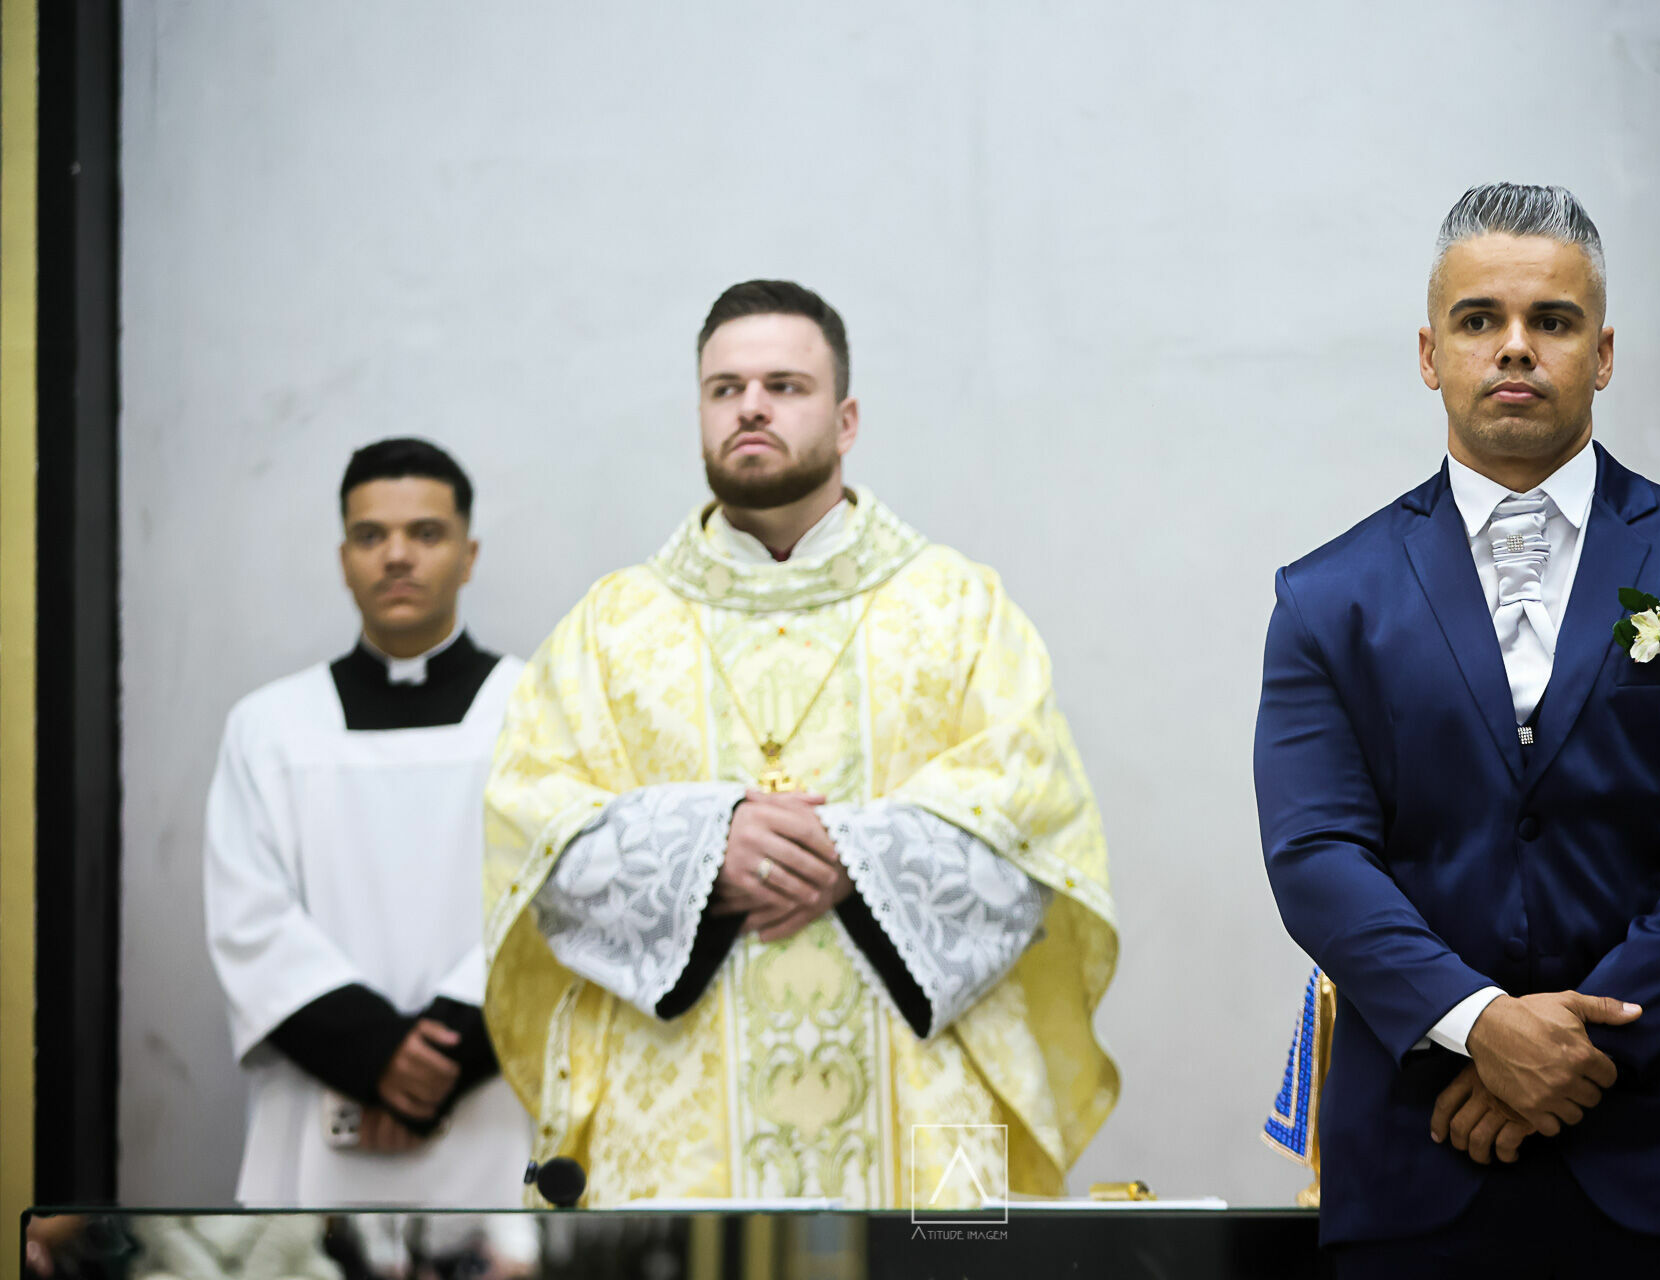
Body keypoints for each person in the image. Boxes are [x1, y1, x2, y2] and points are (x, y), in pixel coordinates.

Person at [1254, 185, 1660, 1276]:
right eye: (1478, 320)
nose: (1513, 348)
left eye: (1550, 322)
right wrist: (1477, 1024)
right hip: (1422, 1154)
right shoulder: (1326, 598)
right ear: (1429, 353)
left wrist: (1574, 1049)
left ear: (1599, 354)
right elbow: (1314, 855)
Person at [482, 280, 1117, 1207]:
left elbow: (1035, 824)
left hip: (928, 1101)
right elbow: (531, 833)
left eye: (784, 385)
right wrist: (706, 846)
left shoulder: (956, 607)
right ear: (699, 413)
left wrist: (854, 857)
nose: (750, 405)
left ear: (845, 416)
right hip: (678, 1115)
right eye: (724, 387)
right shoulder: (611, 628)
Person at [205, 438, 532, 1206]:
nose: (396, 556)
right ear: (343, 556)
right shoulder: (269, 727)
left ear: (468, 553)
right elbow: (248, 921)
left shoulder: (539, 713)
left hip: (491, 1096)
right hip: (316, 1104)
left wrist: (441, 1051)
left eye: (425, 533)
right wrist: (375, 1054)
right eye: (370, 535)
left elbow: (558, 904)